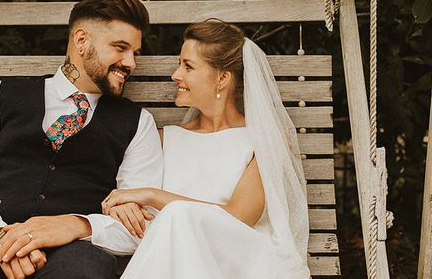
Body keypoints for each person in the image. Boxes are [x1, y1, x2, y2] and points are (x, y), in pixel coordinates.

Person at [0, 0, 163, 279]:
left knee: (84, 273)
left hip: (76, 254)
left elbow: (141, 226)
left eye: (135, 53)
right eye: (120, 48)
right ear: (82, 40)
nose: (131, 63)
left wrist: (78, 225)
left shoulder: (138, 123)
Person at [101, 20, 312, 279]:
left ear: (222, 78)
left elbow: (239, 216)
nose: (176, 75)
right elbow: (133, 202)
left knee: (178, 215)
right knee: (176, 220)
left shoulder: (263, 141)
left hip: (245, 260)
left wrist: (154, 195)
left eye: (188, 66)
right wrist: (124, 205)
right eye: (180, 64)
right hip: (177, 261)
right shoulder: (165, 139)